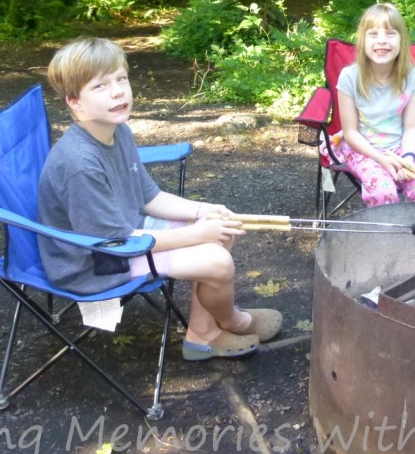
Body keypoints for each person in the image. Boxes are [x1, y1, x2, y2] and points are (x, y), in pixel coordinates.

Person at [37, 37, 282, 361]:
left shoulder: (117, 130)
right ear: (75, 102)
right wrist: (196, 235)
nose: (117, 91)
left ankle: (202, 335)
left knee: (219, 228)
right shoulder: (79, 164)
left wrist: (203, 211)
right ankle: (233, 321)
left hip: (123, 235)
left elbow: (147, 195)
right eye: (101, 86)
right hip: (92, 262)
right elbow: (115, 243)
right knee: (216, 260)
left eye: (121, 79)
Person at [329, 3, 415, 206]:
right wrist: (381, 159)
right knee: (384, 194)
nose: (382, 41)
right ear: (363, 41)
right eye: (373, 34)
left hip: (401, 149)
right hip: (363, 150)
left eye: (391, 34)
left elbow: (411, 128)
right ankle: (384, 237)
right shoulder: (349, 77)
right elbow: (351, 133)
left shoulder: (412, 76)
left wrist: (408, 159)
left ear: (402, 40)